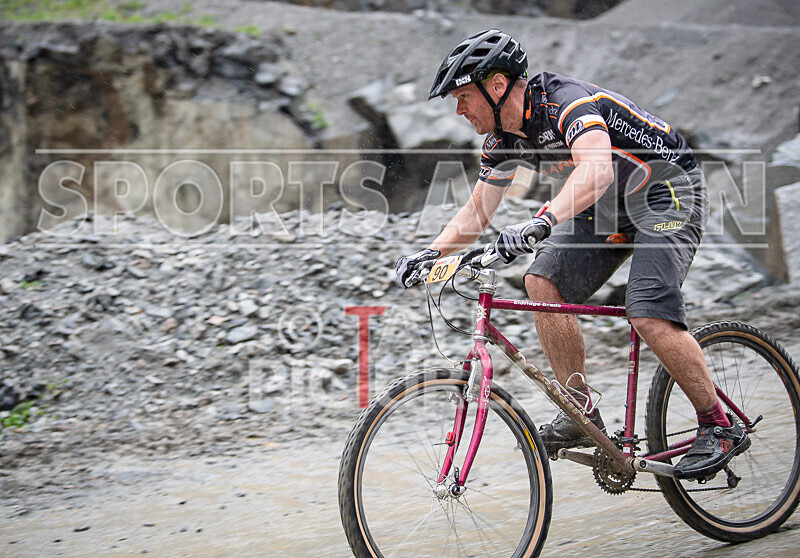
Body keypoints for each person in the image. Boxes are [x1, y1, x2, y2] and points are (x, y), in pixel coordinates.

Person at [394, 29, 750, 480]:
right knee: (542, 283)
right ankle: (582, 415)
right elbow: (477, 212)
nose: (459, 110)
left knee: (647, 313)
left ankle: (717, 424)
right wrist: (428, 253)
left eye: (464, 96)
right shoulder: (503, 140)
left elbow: (597, 169)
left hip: (666, 193)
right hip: (606, 209)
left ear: (497, 86)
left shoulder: (565, 102)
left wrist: (543, 219)